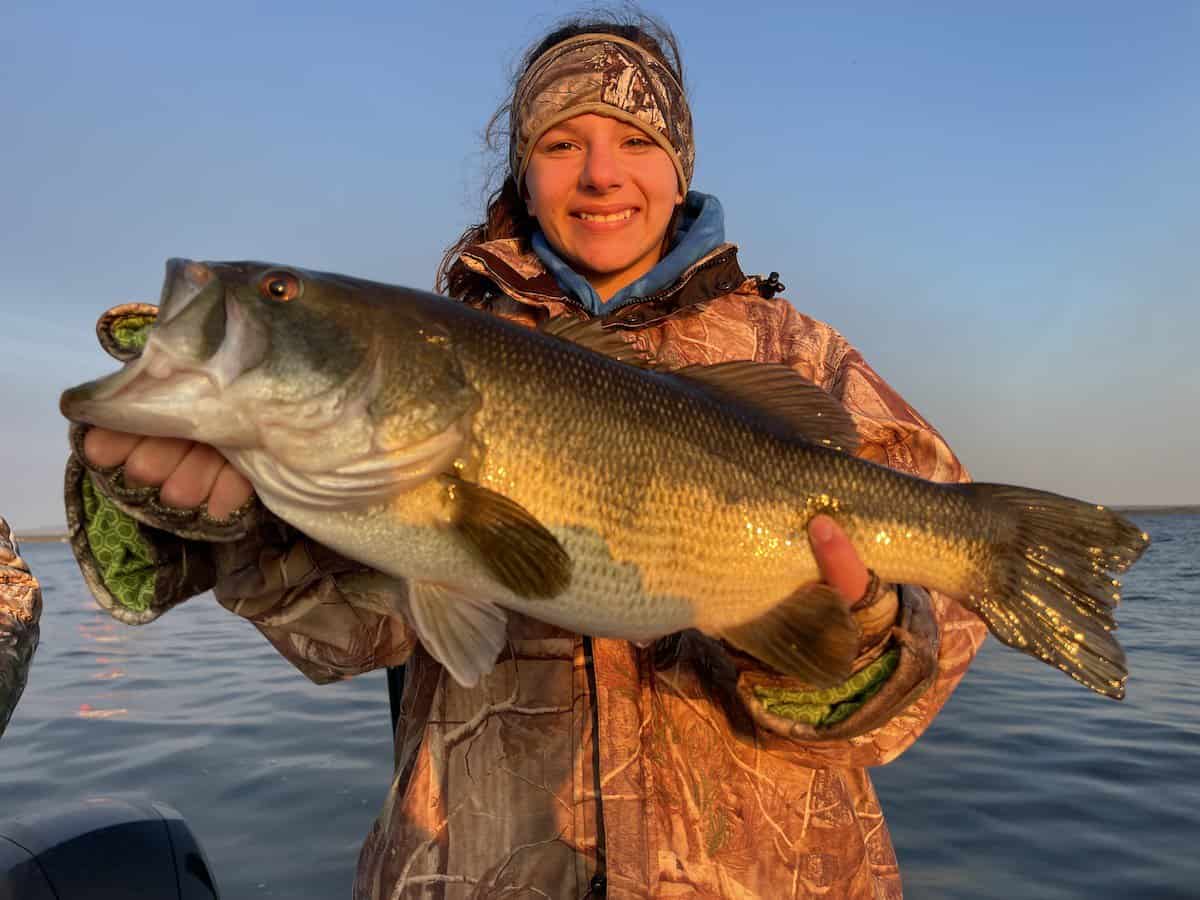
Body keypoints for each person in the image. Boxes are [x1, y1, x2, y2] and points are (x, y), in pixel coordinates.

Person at [68, 12, 986, 898]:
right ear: (525, 171)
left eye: (634, 139)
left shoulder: (799, 355)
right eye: (559, 145)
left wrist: (860, 631)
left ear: (680, 166)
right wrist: (239, 529)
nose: (599, 175)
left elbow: (944, 624)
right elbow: (353, 639)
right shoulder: (442, 352)